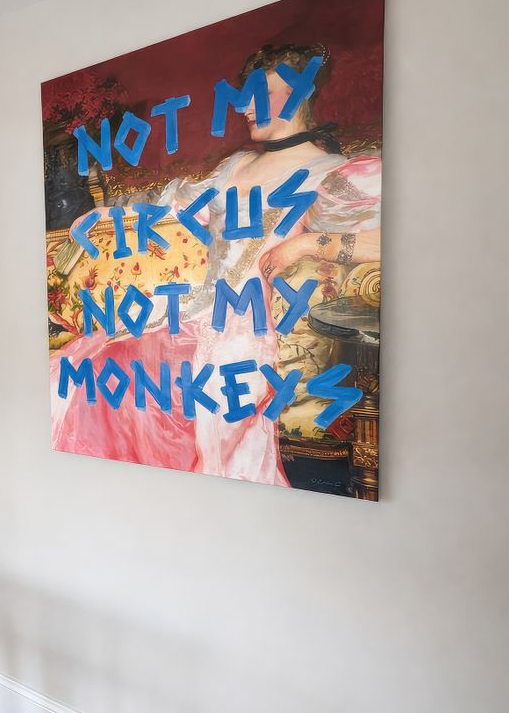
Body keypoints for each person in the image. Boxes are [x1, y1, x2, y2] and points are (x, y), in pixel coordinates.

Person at [50, 43, 381, 487]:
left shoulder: (332, 171)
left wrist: (305, 243)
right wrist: (104, 218)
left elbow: (390, 236)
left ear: (302, 94)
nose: (245, 106)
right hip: (184, 305)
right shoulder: (237, 165)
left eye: (263, 94)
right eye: (245, 95)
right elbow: (173, 209)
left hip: (242, 321)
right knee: (90, 369)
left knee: (185, 397)